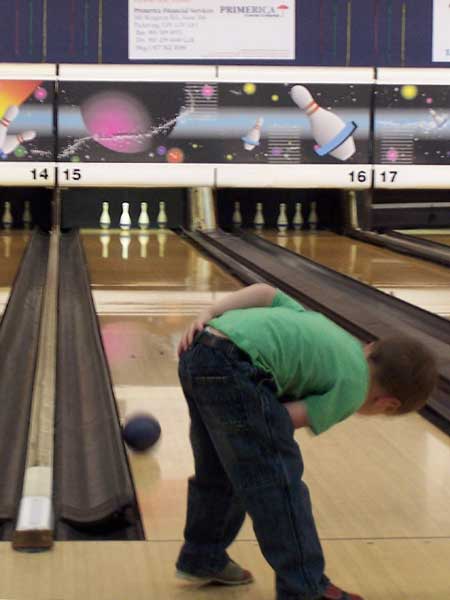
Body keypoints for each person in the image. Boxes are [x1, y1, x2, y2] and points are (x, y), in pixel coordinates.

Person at [175, 283, 437, 600]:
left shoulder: (329, 330)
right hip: (236, 367)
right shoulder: (355, 389)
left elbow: (265, 291)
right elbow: (281, 420)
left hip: (201, 348)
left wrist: (210, 313)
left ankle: (203, 557)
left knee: (218, 471)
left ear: (369, 347)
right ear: (388, 404)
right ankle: (305, 587)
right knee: (278, 483)